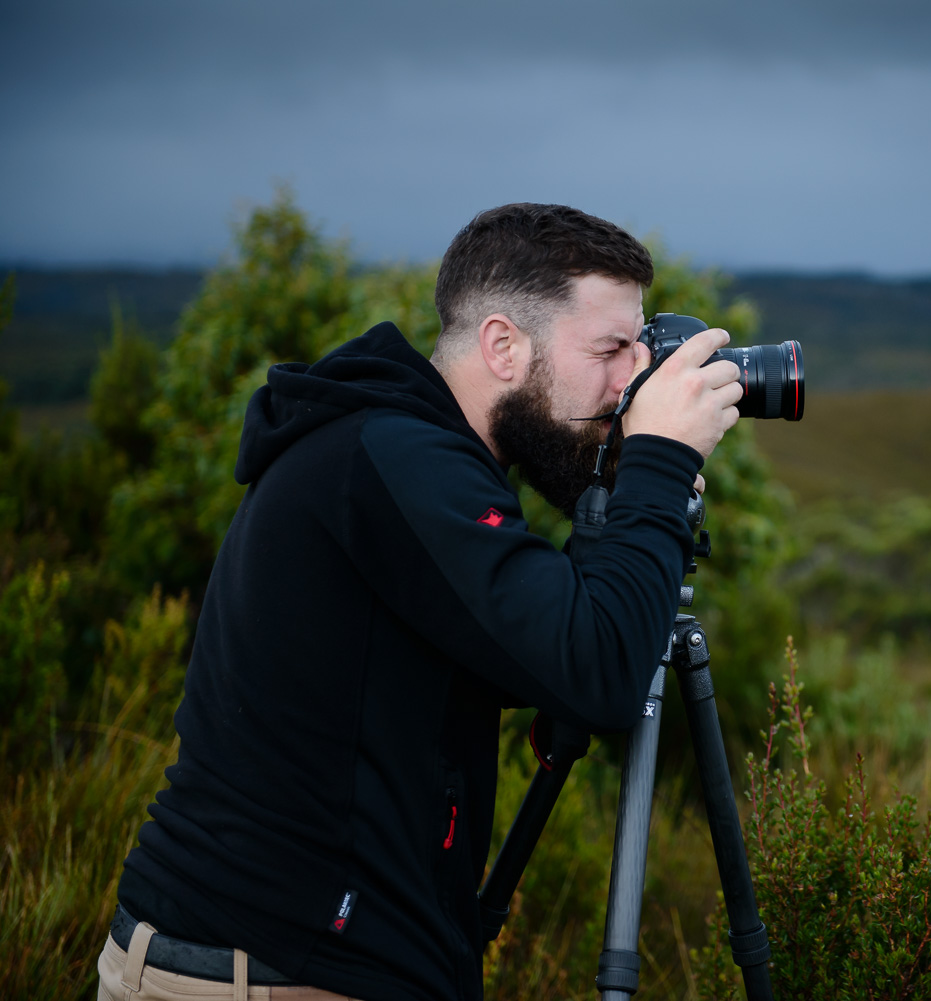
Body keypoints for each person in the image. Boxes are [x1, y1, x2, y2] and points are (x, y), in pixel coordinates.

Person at [96, 204, 744, 1001]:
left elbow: (540, 648)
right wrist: (661, 463)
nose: (631, 380)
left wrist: (631, 478)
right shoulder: (394, 457)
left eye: (639, 352)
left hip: (285, 961)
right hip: (262, 971)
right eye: (611, 350)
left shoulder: (409, 452)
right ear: (503, 345)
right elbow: (598, 669)